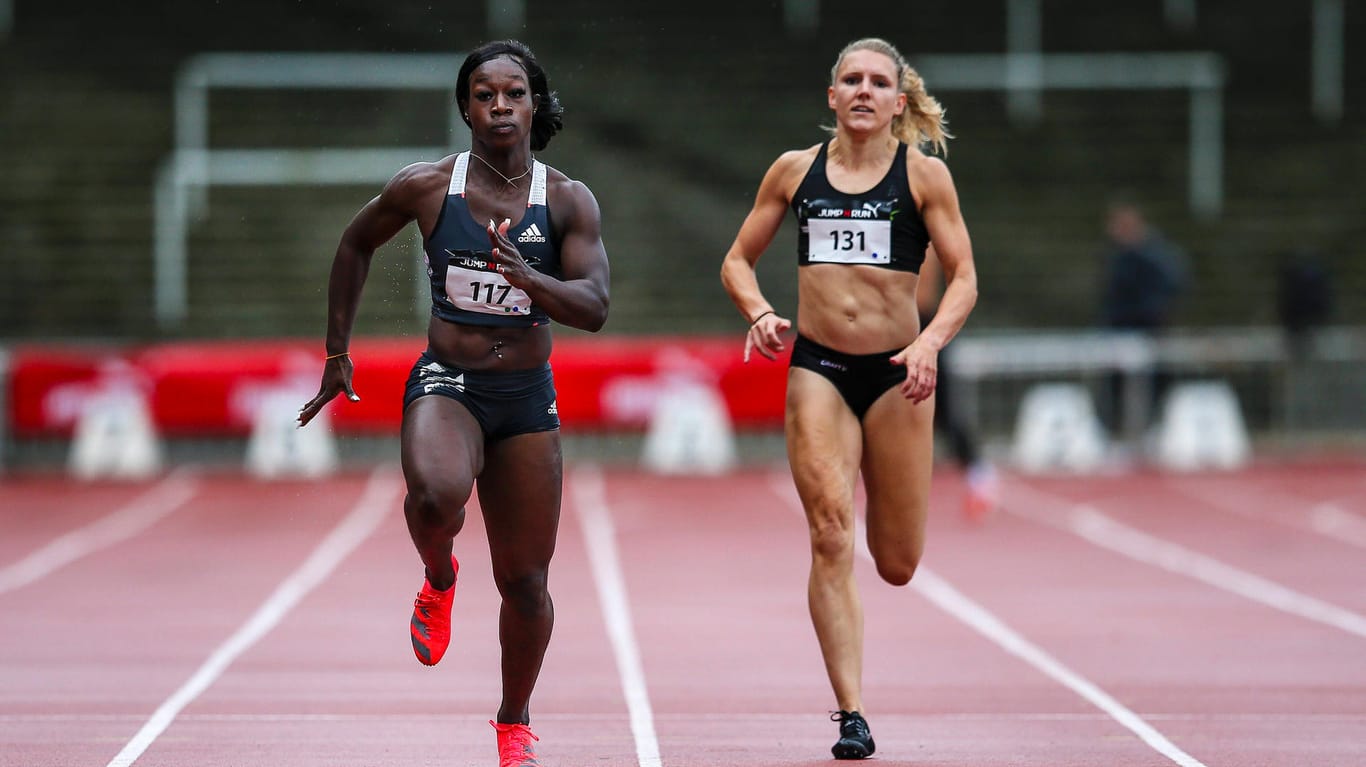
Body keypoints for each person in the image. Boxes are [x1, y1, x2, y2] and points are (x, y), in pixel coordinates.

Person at [296, 40, 609, 767]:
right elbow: (354, 242)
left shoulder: (566, 200)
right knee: (435, 496)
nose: (499, 106)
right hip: (450, 381)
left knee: (526, 581)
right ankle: (439, 576)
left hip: (526, 397)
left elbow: (594, 306)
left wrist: (534, 282)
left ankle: (513, 722)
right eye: (484, 95)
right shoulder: (428, 187)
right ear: (465, 107)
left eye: (513, 94)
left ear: (535, 104)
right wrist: (338, 349)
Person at [720, 37, 979, 759]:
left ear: (900, 101)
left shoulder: (923, 179)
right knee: (831, 531)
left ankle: (858, 676)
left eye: (878, 82)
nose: (863, 91)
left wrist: (929, 343)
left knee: (896, 561)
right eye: (850, 80)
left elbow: (964, 278)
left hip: (899, 374)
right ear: (831, 96)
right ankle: (852, 711)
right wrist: (760, 311)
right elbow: (738, 258)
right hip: (819, 368)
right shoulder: (795, 172)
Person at [917, 245, 997, 522]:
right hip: (889, 329)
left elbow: (925, 291)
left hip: (924, 329)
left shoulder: (924, 239)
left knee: (946, 412)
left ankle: (979, 474)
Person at [1097, 198, 1187, 435]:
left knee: (1152, 384)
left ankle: (1151, 431)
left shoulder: (1154, 255)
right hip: (1121, 331)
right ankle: (1118, 432)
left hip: (1147, 329)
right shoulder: (1118, 255)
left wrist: (1152, 315)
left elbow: (1170, 286)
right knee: (1117, 386)